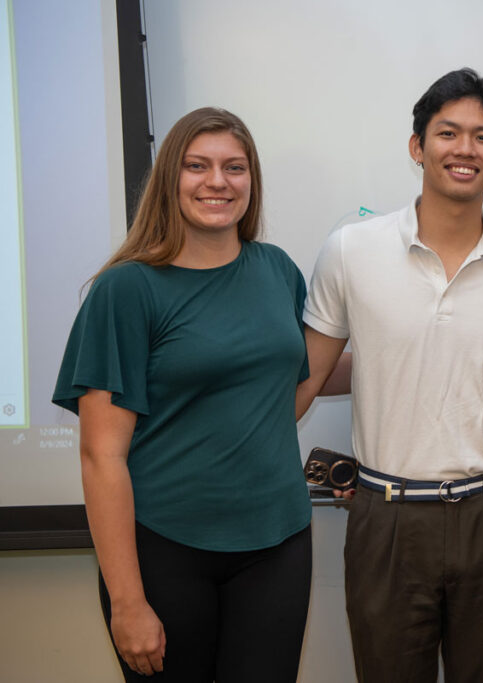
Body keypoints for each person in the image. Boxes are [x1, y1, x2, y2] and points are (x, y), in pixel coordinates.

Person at [296, 68, 483, 682]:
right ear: (418, 147)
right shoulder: (350, 251)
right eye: (448, 133)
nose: (465, 149)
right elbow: (305, 381)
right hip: (384, 516)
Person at [52, 108, 313, 682]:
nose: (217, 181)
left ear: (252, 181)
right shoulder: (126, 289)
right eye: (197, 166)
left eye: (234, 167)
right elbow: (101, 455)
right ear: (171, 178)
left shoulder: (278, 271)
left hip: (279, 542)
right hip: (166, 549)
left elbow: (286, 376)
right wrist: (127, 601)